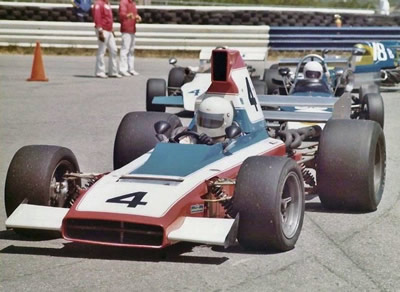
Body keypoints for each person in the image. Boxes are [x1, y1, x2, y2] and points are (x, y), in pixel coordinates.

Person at [92, 0, 121, 78]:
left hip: (109, 30)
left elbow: (109, 18)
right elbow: (97, 17)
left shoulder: (107, 4)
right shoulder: (98, 3)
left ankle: (113, 71)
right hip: (102, 30)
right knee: (102, 50)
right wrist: (100, 30)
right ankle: (100, 71)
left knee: (114, 50)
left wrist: (111, 29)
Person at [119, 0, 141, 76]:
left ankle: (130, 68)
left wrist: (137, 17)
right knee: (125, 49)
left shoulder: (133, 3)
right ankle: (123, 69)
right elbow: (122, 14)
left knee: (131, 50)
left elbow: (134, 14)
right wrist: (127, 15)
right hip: (126, 28)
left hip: (132, 28)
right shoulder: (124, 2)